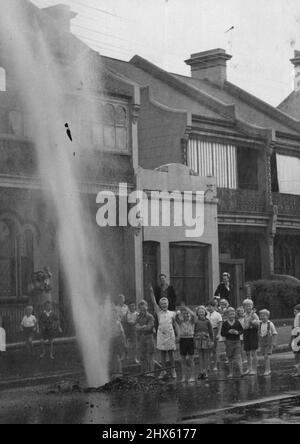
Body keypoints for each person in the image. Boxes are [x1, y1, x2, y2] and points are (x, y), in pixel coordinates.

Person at [149, 284, 177, 379]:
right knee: (163, 354)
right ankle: (163, 371)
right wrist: (151, 292)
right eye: (162, 304)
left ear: (168, 304)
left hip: (170, 335)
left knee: (171, 354)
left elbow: (176, 324)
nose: (164, 305)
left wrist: (178, 336)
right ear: (160, 305)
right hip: (161, 335)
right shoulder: (158, 313)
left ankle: (173, 370)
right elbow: (153, 302)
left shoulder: (172, 313)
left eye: (165, 303)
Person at [221, 307, 245, 378]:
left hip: (237, 341)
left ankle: (241, 372)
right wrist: (228, 332)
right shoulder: (225, 323)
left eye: (233, 314)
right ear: (227, 315)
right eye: (230, 314)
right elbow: (222, 333)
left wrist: (237, 332)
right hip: (228, 342)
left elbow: (241, 330)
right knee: (230, 357)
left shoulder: (237, 322)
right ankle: (231, 373)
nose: (232, 315)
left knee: (238, 356)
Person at [175, 304, 196, 383]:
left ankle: (192, 376)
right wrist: (179, 311)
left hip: (190, 340)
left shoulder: (192, 321)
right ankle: (184, 377)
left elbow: (193, 315)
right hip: (183, 340)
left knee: (191, 359)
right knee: (183, 359)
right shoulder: (181, 322)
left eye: (187, 314)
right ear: (182, 315)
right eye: (184, 314)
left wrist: (186, 308)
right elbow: (176, 317)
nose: (186, 315)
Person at [136, 300, 155, 377]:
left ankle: (152, 373)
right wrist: (142, 327)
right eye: (140, 308)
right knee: (142, 356)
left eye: (144, 307)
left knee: (150, 356)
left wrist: (140, 327)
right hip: (141, 338)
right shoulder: (138, 316)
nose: (142, 309)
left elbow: (149, 327)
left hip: (149, 337)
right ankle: (143, 372)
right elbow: (136, 327)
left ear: (146, 307)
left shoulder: (150, 316)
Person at [194, 306, 214, 380]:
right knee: (200, 356)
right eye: (199, 312)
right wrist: (194, 339)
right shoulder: (196, 321)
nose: (201, 313)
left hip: (206, 339)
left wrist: (212, 340)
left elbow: (211, 331)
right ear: (197, 313)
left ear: (205, 312)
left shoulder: (207, 321)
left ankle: (205, 371)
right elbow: (194, 330)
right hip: (198, 339)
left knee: (206, 356)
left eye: (202, 312)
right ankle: (201, 371)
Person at [258, 309, 278, 376]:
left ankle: (267, 370)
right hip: (262, 341)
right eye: (261, 315)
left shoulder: (270, 324)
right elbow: (259, 332)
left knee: (266, 356)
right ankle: (268, 369)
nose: (262, 317)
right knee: (265, 356)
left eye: (264, 315)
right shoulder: (260, 323)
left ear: (267, 316)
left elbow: (275, 333)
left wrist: (274, 342)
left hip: (268, 341)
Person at [243, 299, 259, 375]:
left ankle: (254, 369)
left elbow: (258, 324)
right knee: (247, 352)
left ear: (252, 306)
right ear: (244, 307)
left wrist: (252, 322)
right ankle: (249, 368)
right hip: (246, 333)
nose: (248, 307)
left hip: (253, 333)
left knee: (254, 351)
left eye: (250, 305)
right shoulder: (244, 314)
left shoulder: (254, 314)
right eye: (246, 305)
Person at [110, 305, 127, 379]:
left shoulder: (118, 323)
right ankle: (114, 372)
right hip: (112, 340)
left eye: (114, 314)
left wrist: (124, 342)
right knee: (113, 357)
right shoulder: (108, 323)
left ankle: (119, 372)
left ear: (115, 314)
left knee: (118, 357)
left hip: (118, 340)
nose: (112, 315)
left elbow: (122, 333)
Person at [206, 299, 222, 371]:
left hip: (214, 331)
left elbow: (220, 325)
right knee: (208, 350)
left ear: (214, 307)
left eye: (210, 307)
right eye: (208, 307)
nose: (209, 308)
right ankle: (208, 366)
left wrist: (218, 334)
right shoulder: (205, 314)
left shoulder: (217, 314)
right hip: (207, 332)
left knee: (214, 350)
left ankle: (215, 365)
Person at [291, 304, 300, 377]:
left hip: (297, 338)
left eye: (295, 311)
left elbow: (295, 329)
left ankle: (298, 372)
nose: (294, 313)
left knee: (296, 355)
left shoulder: (298, 316)